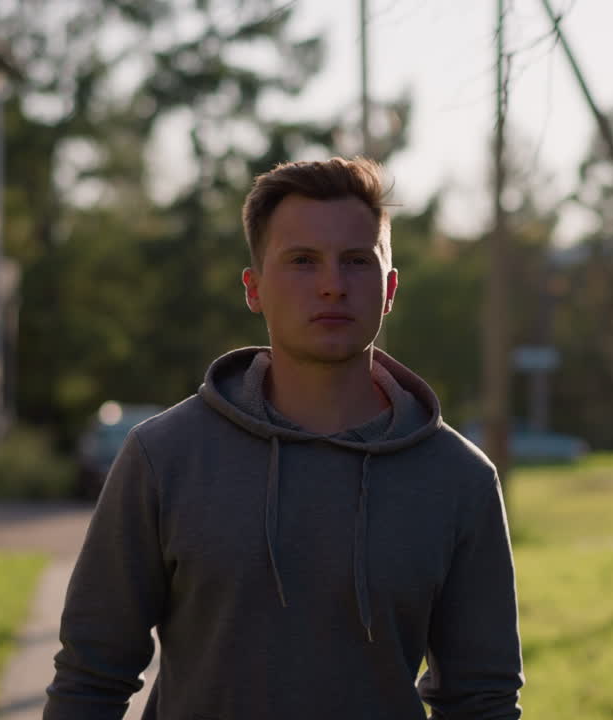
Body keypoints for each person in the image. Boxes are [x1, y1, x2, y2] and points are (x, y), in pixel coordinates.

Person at [44, 157, 523, 719]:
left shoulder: (459, 478)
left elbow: (482, 701)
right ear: (254, 289)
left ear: (390, 287)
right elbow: (90, 676)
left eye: (356, 261)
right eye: (302, 261)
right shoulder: (164, 456)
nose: (332, 286)